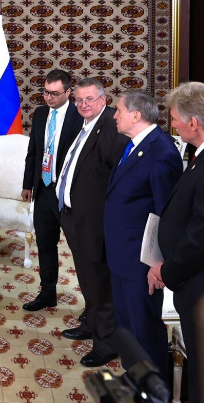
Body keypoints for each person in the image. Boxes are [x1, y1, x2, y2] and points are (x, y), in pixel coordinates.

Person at [104, 90, 182, 375]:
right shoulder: (132, 144)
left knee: (144, 328)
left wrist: (157, 263)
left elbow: (167, 215)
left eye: (119, 110)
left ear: (136, 115)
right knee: (127, 324)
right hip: (122, 253)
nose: (114, 115)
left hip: (141, 261)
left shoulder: (162, 152)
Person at [56, 78, 128, 367]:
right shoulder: (87, 124)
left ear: (103, 99)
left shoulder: (111, 127)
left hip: (95, 222)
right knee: (87, 278)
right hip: (75, 217)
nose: (83, 105)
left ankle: (107, 343)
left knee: (100, 284)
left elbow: (119, 179)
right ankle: (91, 324)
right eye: (79, 100)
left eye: (90, 99)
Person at [149, 81, 204, 403]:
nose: (172, 125)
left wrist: (167, 270)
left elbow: (199, 237)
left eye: (174, 119)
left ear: (193, 123)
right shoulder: (197, 156)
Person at [21, 69, 83, 312]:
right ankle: (47, 293)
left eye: (55, 93)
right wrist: (28, 184)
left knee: (79, 248)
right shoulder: (40, 114)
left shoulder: (79, 116)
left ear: (69, 92)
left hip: (69, 193)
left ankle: (92, 305)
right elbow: (33, 151)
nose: (49, 97)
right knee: (46, 244)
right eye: (46, 92)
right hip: (44, 189)